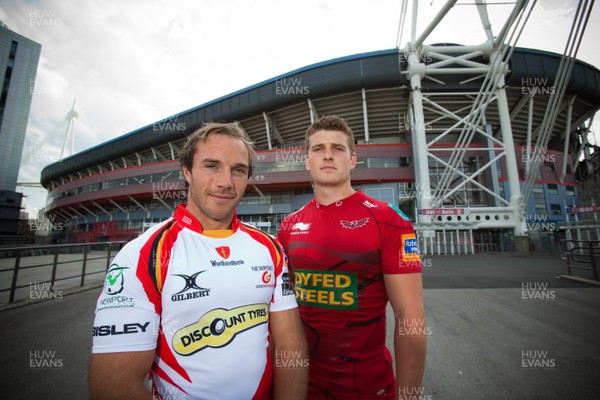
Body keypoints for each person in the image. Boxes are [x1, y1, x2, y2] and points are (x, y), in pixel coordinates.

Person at [89, 122, 308, 400]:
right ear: (187, 172)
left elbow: (290, 346)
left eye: (238, 170)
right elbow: (113, 387)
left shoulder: (270, 248)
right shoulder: (143, 254)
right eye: (212, 166)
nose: (225, 182)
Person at [278, 115, 426, 399]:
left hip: (368, 387)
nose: (328, 155)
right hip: (301, 386)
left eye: (338, 148)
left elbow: (410, 318)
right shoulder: (289, 225)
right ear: (307, 161)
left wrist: (409, 395)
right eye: (318, 149)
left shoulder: (390, 221)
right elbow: (283, 314)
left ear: (353, 159)